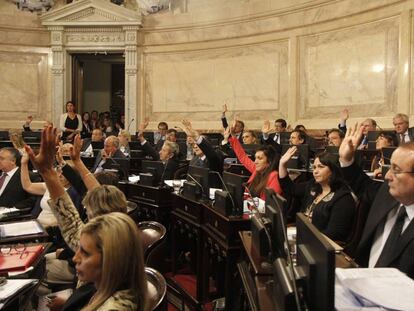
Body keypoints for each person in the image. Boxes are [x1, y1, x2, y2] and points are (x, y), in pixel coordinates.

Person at [339, 123, 414, 278]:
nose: (387, 176)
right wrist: (346, 159)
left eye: (396, 170)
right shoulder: (387, 194)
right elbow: (362, 185)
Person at [73, 212, 148, 311]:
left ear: (111, 261)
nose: (75, 258)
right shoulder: (103, 289)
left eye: (85, 253)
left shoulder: (115, 308)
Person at [279, 148, 356, 242]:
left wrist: (304, 239)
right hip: (303, 237)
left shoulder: (343, 198)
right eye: (314, 167)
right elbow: (290, 188)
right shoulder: (313, 186)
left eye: (321, 167)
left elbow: (334, 234)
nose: (315, 171)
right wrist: (282, 164)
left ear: (333, 169)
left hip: (320, 245)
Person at [226, 123, 282, 200]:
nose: (255, 161)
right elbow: (243, 156)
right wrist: (233, 136)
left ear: (269, 161)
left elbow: (270, 204)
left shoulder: (274, 176)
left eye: (260, 158)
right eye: (255, 158)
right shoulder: (256, 169)